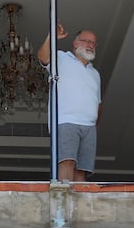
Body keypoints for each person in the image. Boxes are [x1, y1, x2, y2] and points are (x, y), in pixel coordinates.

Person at [37, 25, 102, 182]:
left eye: (93, 43)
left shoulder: (95, 73)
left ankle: (79, 205)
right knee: (67, 162)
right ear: (75, 43)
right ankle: (64, 203)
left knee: (82, 170)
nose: (90, 45)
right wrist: (51, 37)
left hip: (89, 126)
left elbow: (98, 102)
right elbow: (43, 57)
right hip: (66, 121)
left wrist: (93, 124)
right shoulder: (61, 58)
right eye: (86, 41)